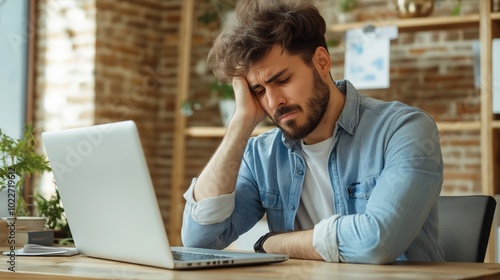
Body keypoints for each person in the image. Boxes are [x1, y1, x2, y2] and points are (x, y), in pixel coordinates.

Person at [181, 0, 444, 264]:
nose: (273, 102)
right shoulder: (262, 156)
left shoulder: (404, 129)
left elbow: (376, 242)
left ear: (321, 61)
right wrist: (240, 124)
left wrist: (272, 243)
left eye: (282, 80)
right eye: (259, 91)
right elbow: (200, 240)